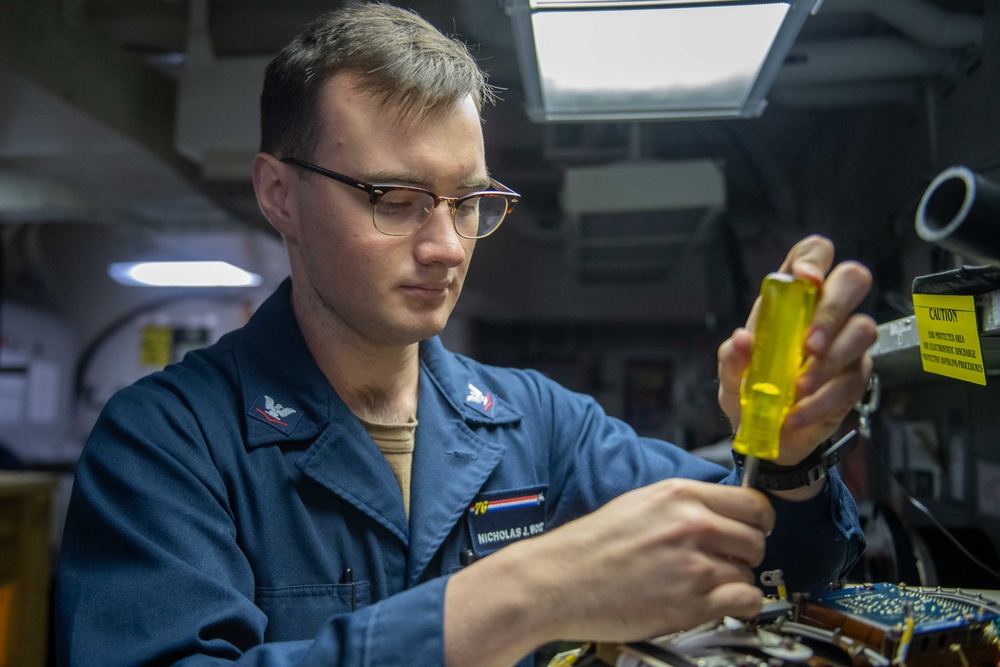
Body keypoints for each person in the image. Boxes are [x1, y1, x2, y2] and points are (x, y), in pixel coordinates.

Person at [55, 3, 877, 667]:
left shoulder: (541, 425)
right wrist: (519, 595)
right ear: (279, 194)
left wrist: (788, 458)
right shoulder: (165, 444)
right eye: (395, 197)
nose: (448, 245)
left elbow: (769, 563)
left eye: (468, 201)